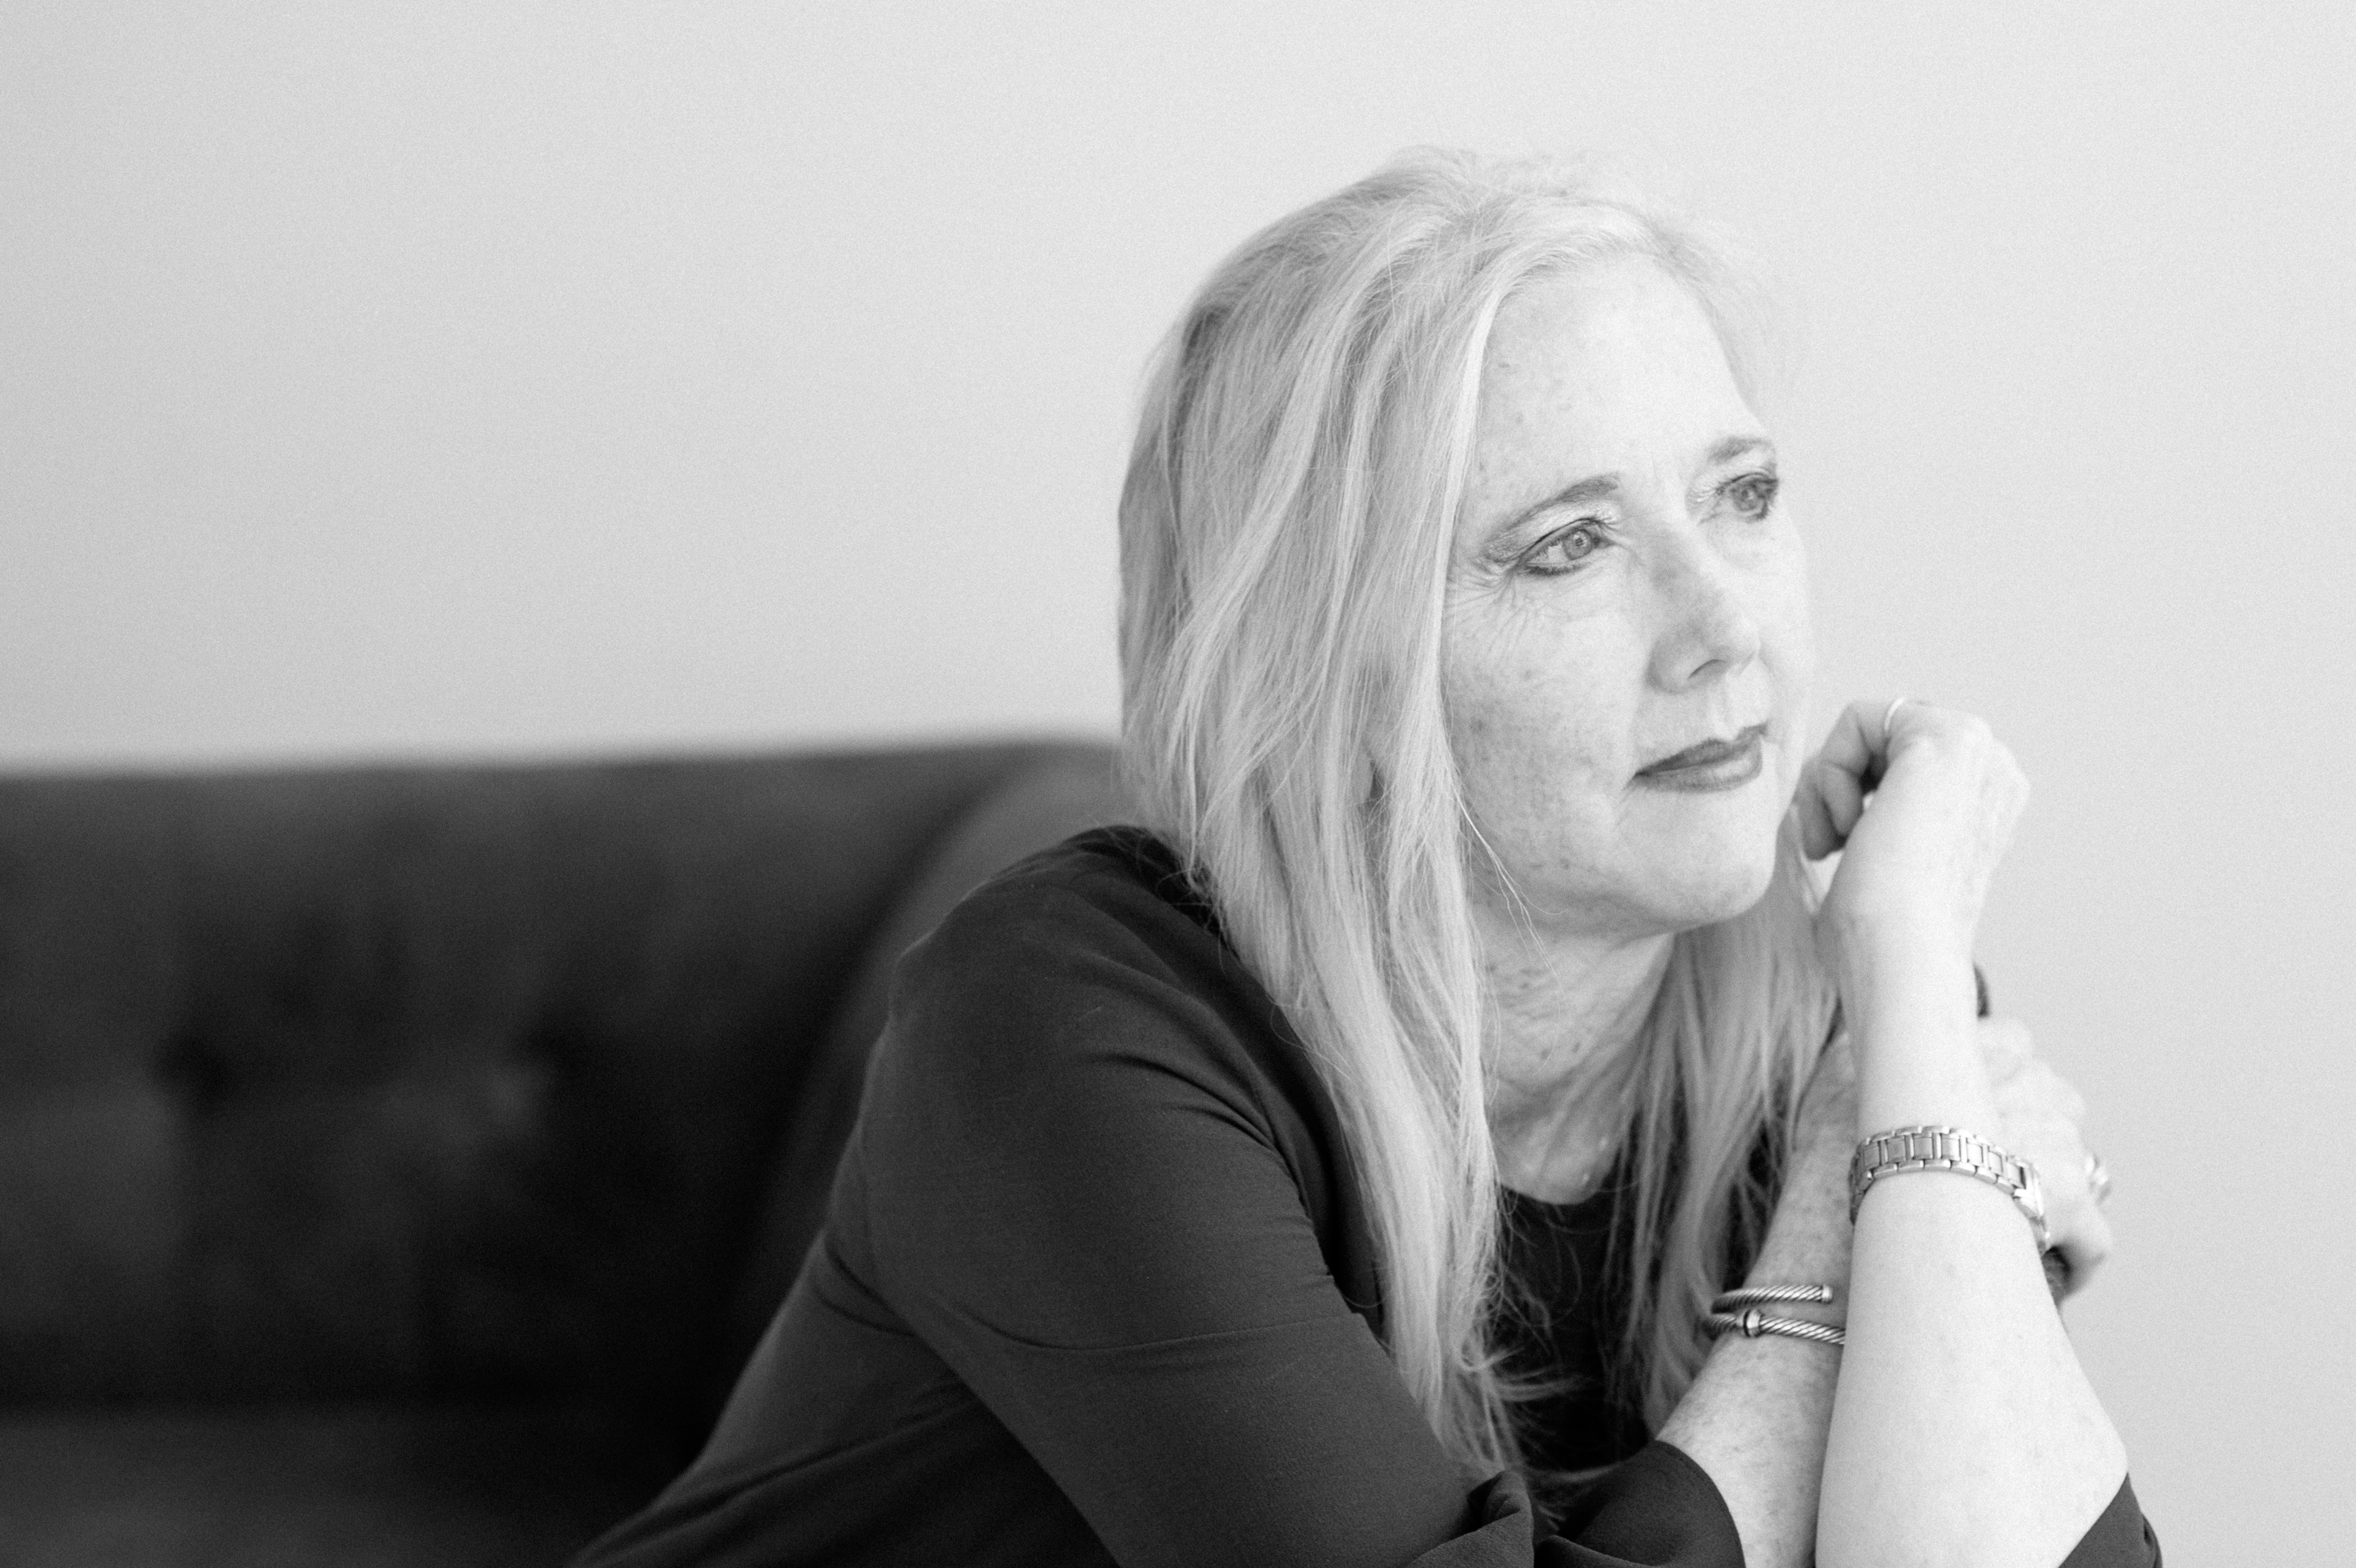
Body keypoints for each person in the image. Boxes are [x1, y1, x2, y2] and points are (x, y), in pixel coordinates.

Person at [575, 150, 2158, 1567]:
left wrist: (1907, 996)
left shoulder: (1838, 1015)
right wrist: (1851, 1211)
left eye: (1740, 495)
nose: (1723, 622)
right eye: (1568, 547)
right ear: (1331, 670)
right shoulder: (1063, 1024)